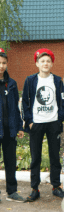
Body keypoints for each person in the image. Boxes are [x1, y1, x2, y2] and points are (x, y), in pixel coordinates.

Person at [22, 49, 64, 202]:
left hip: (53, 122)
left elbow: (62, 101)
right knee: (36, 157)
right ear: (37, 63)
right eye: (42, 61)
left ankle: (56, 186)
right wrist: (29, 121)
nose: (45, 63)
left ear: (52, 63)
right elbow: (25, 102)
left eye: (48, 61)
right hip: (36, 123)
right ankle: (35, 188)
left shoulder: (57, 80)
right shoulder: (30, 80)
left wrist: (60, 118)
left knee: (55, 156)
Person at [0, 48, 25, 203]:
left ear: (7, 64)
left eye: (3, 63)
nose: (1, 66)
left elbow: (16, 107)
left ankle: (12, 191)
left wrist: (20, 127)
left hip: (9, 129)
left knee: (10, 160)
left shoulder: (12, 84)